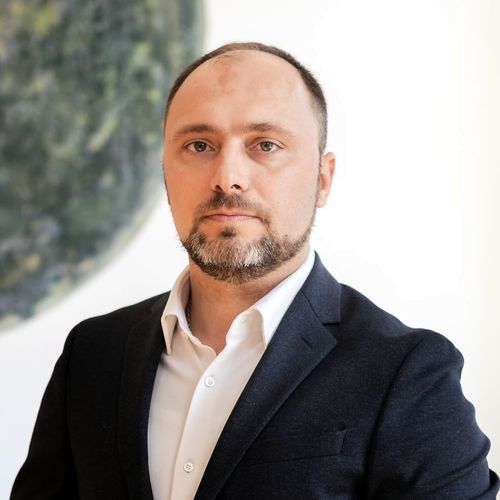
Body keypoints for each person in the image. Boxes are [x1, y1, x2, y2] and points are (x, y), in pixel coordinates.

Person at [11, 42, 499, 500]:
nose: (228, 178)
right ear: (164, 171)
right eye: (198, 145)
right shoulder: (93, 353)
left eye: (265, 145)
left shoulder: (409, 373)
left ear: (322, 179)